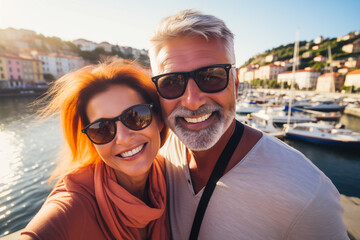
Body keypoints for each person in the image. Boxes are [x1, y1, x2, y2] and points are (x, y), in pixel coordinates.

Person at [149, 9, 348, 240]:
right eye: (172, 82)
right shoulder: (158, 152)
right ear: (158, 93)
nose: (193, 101)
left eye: (211, 76)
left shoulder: (307, 193)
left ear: (236, 83)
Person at [19, 60, 170, 240]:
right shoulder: (76, 202)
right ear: (92, 141)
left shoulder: (169, 175)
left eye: (136, 116)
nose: (122, 138)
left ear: (159, 119)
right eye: (102, 129)